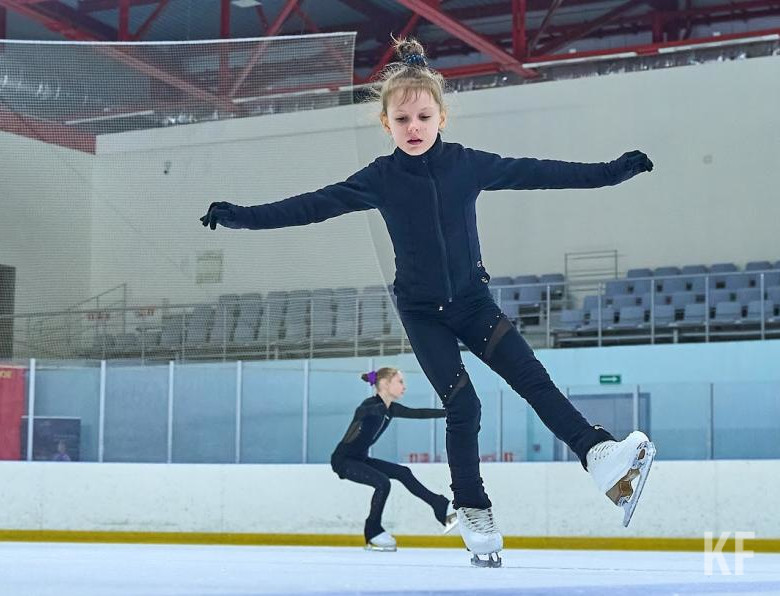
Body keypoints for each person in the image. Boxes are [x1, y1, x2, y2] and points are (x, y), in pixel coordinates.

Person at [200, 37, 656, 568]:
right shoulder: (380, 178)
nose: (413, 127)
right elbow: (313, 205)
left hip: (473, 302)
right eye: (402, 119)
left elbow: (541, 171)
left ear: (441, 116)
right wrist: (242, 215)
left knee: (533, 379)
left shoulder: (468, 164)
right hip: (423, 313)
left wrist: (609, 172)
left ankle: (599, 455)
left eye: (422, 116)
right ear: (386, 124)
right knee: (464, 405)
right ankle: (472, 507)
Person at [331, 367, 456, 551]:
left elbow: (419, 413)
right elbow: (360, 415)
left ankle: (440, 506)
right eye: (400, 382)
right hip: (343, 461)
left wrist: (449, 413)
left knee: (402, 472)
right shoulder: (370, 406)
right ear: (385, 384)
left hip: (360, 459)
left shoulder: (391, 409)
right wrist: (365, 413)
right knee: (382, 483)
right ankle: (372, 532)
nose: (404, 387)